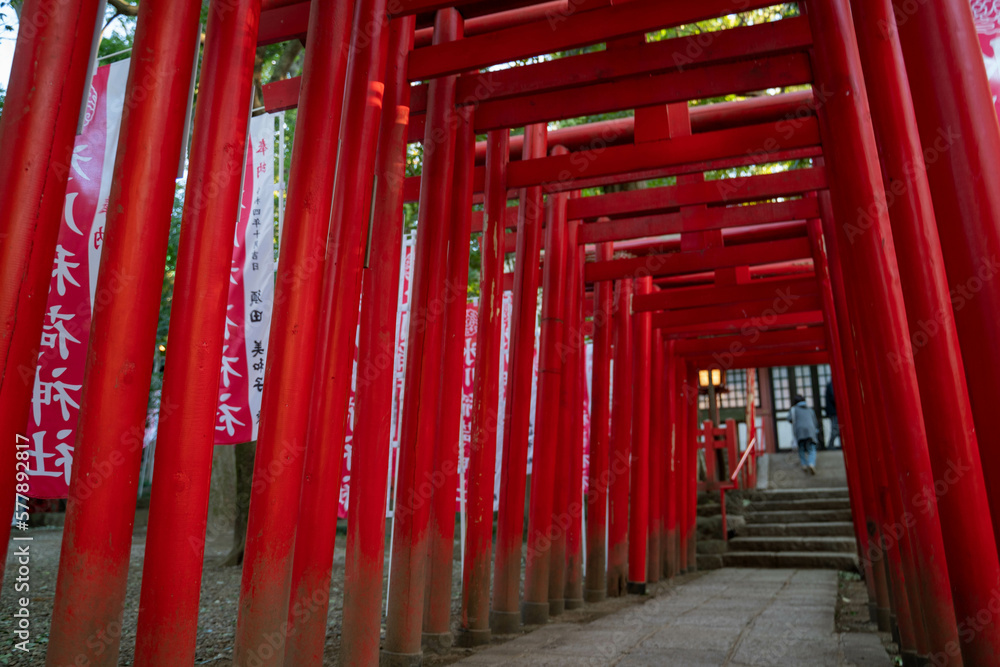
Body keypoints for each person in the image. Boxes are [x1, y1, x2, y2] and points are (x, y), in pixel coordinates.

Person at [789, 393, 819, 475]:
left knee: (801, 448)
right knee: (811, 448)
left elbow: (789, 419)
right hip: (810, 431)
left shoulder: (793, 409)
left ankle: (804, 465)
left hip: (799, 432)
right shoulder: (810, 409)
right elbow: (815, 421)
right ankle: (811, 463)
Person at [825, 380, 840, 449]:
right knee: (835, 428)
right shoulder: (832, 384)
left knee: (837, 428)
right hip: (834, 411)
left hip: (833, 410)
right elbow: (833, 397)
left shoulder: (831, 384)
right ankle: (830, 445)